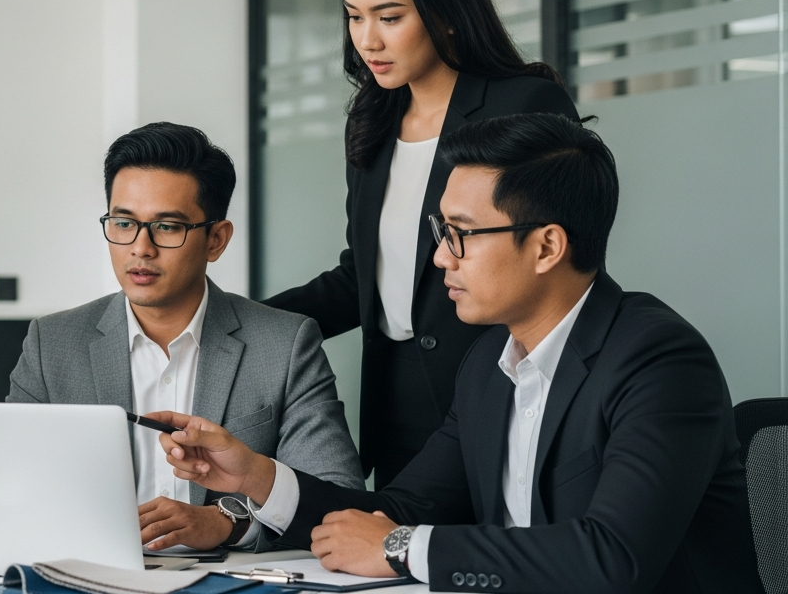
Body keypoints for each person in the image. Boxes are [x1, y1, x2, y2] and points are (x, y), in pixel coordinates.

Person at [150, 113, 762, 593]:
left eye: (461, 235)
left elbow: (612, 557)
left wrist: (401, 549)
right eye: (440, 233)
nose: (441, 257)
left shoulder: (658, 360)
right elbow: (392, 512)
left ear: (547, 246)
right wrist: (258, 477)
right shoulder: (488, 363)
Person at [263, 0, 579, 487]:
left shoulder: (524, 103)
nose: (367, 40)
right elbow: (363, 277)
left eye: (389, 17)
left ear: (446, 11)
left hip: (499, 389)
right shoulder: (373, 118)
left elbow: (555, 266)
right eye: (354, 17)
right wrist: (240, 323)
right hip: (393, 403)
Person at [7, 123, 362, 552]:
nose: (140, 248)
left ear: (216, 239)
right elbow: (12, 484)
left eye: (168, 227)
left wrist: (228, 522)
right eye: (123, 223)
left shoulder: (285, 343)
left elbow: (340, 499)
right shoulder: (52, 344)